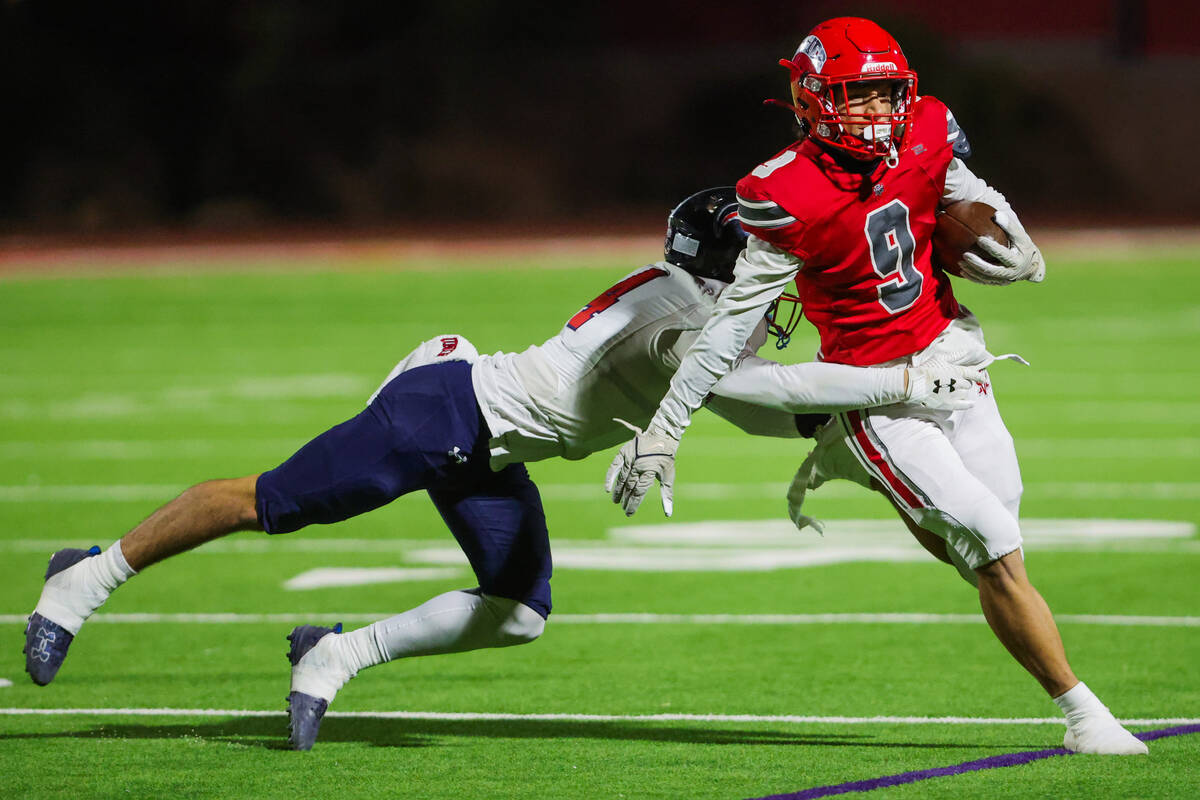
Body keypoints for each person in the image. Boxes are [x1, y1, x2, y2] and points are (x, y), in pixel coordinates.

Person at [23, 187, 981, 751]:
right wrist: (899, 381)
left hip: (492, 443)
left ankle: (337, 651)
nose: (778, 282)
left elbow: (764, 401)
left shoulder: (690, 306)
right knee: (267, 503)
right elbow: (763, 401)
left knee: (519, 611)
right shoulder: (678, 323)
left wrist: (878, 401)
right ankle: (87, 577)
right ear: (726, 263)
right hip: (442, 414)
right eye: (765, 264)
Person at [606, 18, 1146, 755]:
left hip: (955, 353)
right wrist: (667, 427)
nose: (878, 111)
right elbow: (734, 326)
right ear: (814, 99)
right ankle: (1084, 713)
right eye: (857, 97)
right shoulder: (783, 189)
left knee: (992, 535)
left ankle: (880, 480)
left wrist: (1012, 240)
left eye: (887, 94)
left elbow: (969, 190)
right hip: (874, 390)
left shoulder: (926, 128)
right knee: (990, 542)